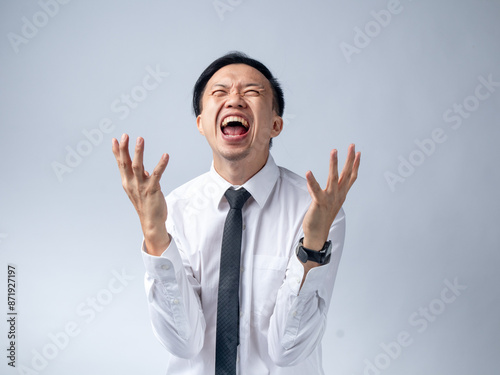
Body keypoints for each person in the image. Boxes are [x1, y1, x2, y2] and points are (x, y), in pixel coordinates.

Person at [111, 52, 360, 375]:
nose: (235, 100)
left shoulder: (317, 210)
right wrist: (155, 233)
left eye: (253, 92)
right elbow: (183, 342)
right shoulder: (175, 208)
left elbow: (289, 350)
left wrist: (312, 244)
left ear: (275, 124)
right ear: (201, 124)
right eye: (220, 92)